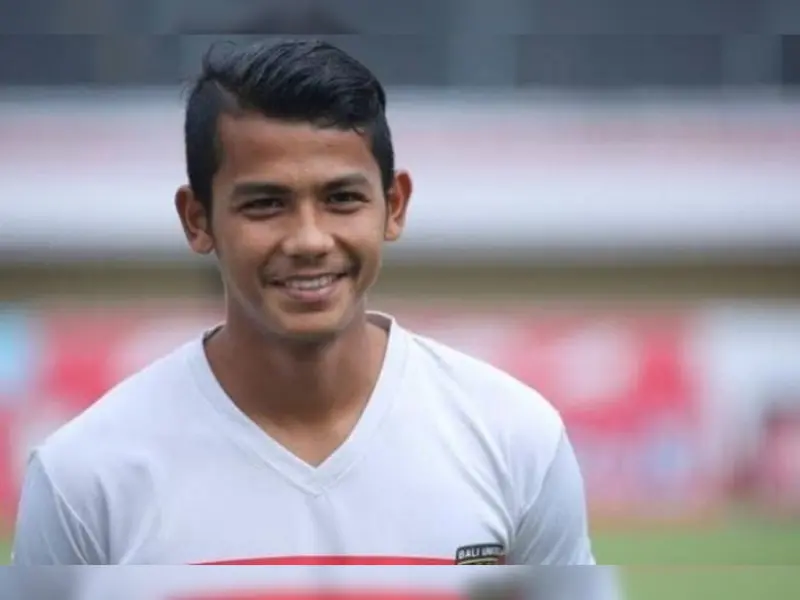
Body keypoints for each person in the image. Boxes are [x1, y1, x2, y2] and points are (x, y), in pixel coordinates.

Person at [11, 39, 598, 568]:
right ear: (197, 219)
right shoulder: (85, 477)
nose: (310, 240)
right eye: (266, 204)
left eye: (342, 198)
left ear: (394, 206)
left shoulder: (514, 439)